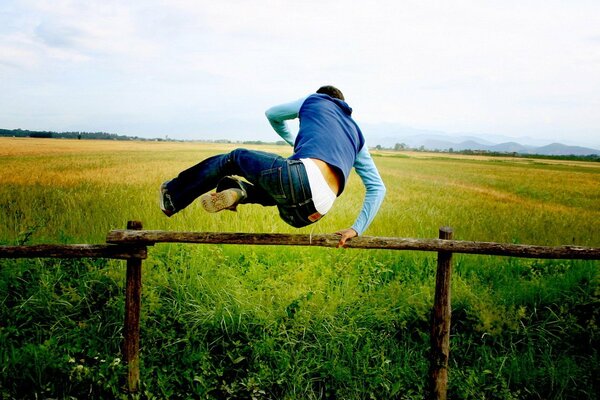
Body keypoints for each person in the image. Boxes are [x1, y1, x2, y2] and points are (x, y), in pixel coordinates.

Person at [160, 85, 386, 247]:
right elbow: (378, 187)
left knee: (235, 158)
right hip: (309, 214)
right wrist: (356, 229)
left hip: (300, 177)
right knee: (280, 187)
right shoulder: (357, 135)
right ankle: (243, 192)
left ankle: (173, 196)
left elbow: (273, 115)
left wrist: (296, 142)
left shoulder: (315, 100)